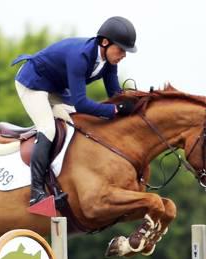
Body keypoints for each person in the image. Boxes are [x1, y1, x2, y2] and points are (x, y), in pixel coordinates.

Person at [11, 16, 138, 207]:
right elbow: (82, 103)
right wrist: (116, 109)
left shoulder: (110, 62)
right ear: (105, 42)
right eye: (121, 49)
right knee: (48, 128)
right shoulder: (80, 57)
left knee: (80, 122)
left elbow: (114, 94)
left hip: (55, 87)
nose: (124, 55)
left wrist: (133, 104)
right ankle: (36, 193)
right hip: (33, 82)